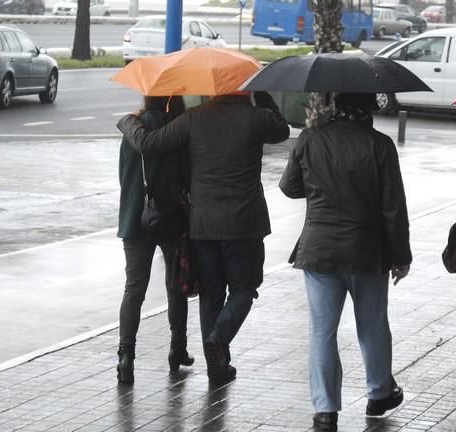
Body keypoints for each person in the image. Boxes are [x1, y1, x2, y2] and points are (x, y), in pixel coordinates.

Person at [117, 91, 290, 385]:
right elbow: (282, 129)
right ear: (244, 89)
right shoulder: (257, 118)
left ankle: (217, 366)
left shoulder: (194, 119)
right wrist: (262, 95)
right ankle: (217, 341)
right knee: (244, 289)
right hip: (243, 223)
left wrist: (127, 122)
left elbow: (148, 144)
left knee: (210, 293)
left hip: (202, 224)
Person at [279, 93, 411, 431]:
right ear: (367, 108)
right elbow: (393, 207)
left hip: (320, 250)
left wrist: (319, 184)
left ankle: (325, 410)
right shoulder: (380, 145)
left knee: (322, 331)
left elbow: (289, 187)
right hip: (368, 251)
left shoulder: (310, 138)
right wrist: (401, 256)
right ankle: (380, 392)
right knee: (373, 325)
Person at [116, 96, 194, 384]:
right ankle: (178, 348)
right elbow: (187, 177)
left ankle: (126, 356)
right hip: (170, 218)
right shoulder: (177, 131)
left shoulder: (131, 131)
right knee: (176, 285)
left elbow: (123, 175)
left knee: (133, 289)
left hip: (134, 219)